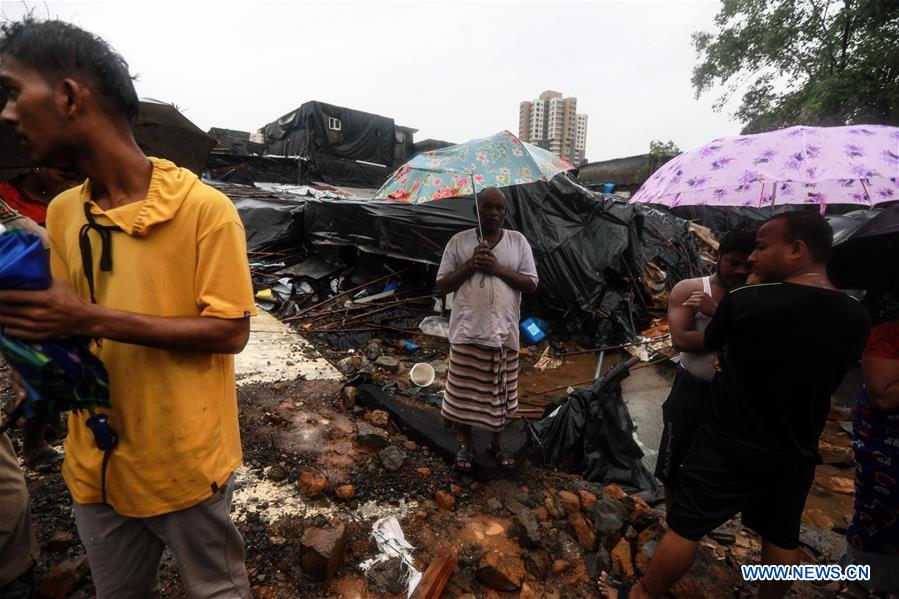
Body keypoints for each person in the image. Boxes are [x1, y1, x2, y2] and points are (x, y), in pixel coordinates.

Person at [0, 19, 255, 598]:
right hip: (95, 467)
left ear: (67, 96)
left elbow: (229, 331)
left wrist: (88, 318)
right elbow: (66, 326)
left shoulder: (205, 211)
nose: (7, 114)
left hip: (187, 467)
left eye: (13, 92)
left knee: (218, 589)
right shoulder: (63, 212)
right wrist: (35, 364)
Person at [601, 211, 871, 599]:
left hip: (730, 442)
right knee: (780, 537)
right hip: (795, 448)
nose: (754, 259)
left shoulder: (746, 300)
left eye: (762, 247)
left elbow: (714, 347)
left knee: (686, 526)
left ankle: (641, 593)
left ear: (796, 249)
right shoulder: (856, 314)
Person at [436, 186, 538, 471]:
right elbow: (442, 284)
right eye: (487, 207)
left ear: (505, 213)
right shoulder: (458, 242)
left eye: (499, 208)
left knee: (499, 397)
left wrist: (496, 268)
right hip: (467, 332)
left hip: (503, 334)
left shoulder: (518, 242)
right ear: (475, 211)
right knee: (461, 396)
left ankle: (495, 444)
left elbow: (531, 284)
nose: (494, 213)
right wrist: (470, 264)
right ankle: (466, 444)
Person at [655, 228, 755, 509]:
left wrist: (720, 317)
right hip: (692, 391)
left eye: (748, 265)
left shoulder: (755, 297)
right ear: (717, 256)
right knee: (674, 462)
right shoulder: (691, 289)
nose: (740, 271)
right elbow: (680, 340)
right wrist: (738, 333)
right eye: (733, 262)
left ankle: (698, 523)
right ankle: (674, 524)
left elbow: (764, 349)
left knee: (719, 464)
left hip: (734, 396)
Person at [0, 167, 81, 472]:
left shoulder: (74, 198)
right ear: (37, 165)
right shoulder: (5, 198)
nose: (71, 179)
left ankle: (35, 421)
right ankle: (33, 446)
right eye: (65, 172)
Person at [841, 315, 899, 593]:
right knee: (880, 514)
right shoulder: (887, 336)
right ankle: (860, 586)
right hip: (887, 446)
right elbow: (883, 396)